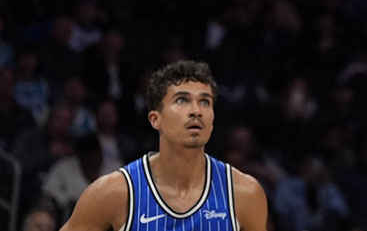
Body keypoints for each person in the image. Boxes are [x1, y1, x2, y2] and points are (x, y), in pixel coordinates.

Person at [58, 60, 268, 231]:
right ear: (155, 119)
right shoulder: (114, 192)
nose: (196, 110)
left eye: (205, 102)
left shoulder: (243, 193)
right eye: (182, 100)